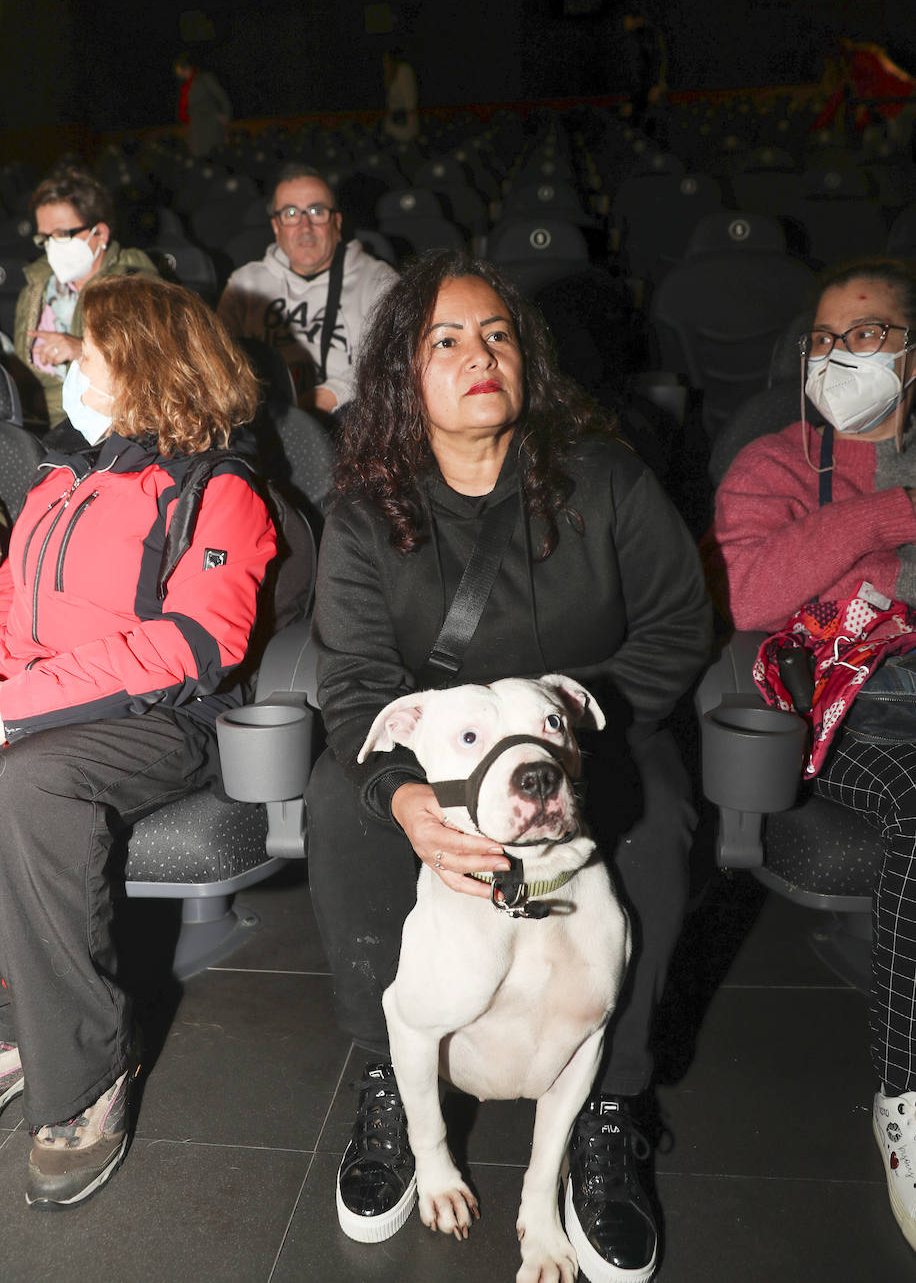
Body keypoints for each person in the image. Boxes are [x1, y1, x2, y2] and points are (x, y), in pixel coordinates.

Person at [308, 250, 711, 1281]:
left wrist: (577, 740)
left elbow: (674, 627)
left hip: (589, 733)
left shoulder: (605, 478)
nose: (477, 354)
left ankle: (609, 1106)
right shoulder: (364, 514)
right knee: (338, 807)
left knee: (658, 820)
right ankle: (390, 1081)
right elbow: (354, 682)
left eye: (496, 334)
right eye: (444, 339)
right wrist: (403, 793)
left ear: (526, 359)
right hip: (443, 751)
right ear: (406, 374)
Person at [0, 274, 276, 1210]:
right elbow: (11, 607)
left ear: (150, 361)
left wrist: (20, 704)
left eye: (91, 349)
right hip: (45, 705)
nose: (72, 364)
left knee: (30, 781)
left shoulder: (218, 484)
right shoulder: (58, 472)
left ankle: (84, 1076)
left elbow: (196, 644)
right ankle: (16, 1020)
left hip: (158, 721)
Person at [704, 256, 916, 1255]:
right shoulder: (774, 465)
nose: (843, 355)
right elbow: (749, 598)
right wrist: (888, 518)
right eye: (827, 339)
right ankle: (905, 1094)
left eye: (868, 333)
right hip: (858, 712)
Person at [217, 163, 398, 414]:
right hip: (266, 416)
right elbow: (218, 362)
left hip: (348, 415)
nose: (305, 227)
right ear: (276, 227)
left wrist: (326, 398)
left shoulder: (378, 280)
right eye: (291, 214)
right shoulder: (244, 284)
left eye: (316, 211)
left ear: (336, 222)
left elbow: (387, 361)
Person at [12, 166, 159, 431]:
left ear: (99, 234)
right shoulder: (35, 290)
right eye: (45, 237)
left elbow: (158, 368)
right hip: (43, 432)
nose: (51, 246)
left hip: (119, 431)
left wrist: (82, 349)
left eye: (62, 234)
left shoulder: (137, 286)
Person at [174, 53, 232, 157]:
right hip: (195, 124)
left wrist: (226, 115)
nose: (179, 75)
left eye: (179, 71)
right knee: (197, 155)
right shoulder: (185, 86)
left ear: (186, 68)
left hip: (209, 122)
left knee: (213, 153)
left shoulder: (204, 78)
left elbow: (221, 96)